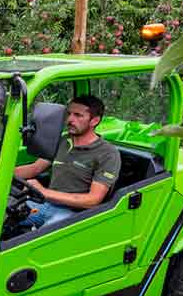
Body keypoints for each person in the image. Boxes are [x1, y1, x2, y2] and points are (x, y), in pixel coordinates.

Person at [13, 95, 120, 228]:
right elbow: (35, 168)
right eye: (69, 114)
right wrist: (1, 174)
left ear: (95, 121)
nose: (70, 119)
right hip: (44, 204)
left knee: (42, 239)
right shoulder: (63, 141)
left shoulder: (108, 153)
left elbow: (93, 200)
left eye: (78, 115)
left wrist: (43, 191)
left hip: (74, 214)